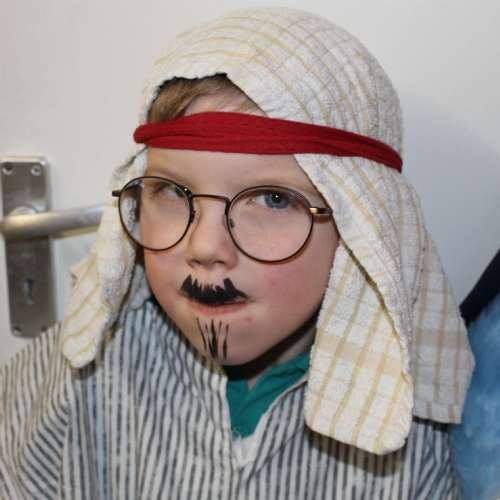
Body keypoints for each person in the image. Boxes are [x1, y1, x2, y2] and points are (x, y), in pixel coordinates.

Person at [0, 7, 474, 498]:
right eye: (171, 190)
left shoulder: (425, 434)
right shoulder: (69, 382)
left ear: (363, 226)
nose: (205, 247)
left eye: (273, 199)